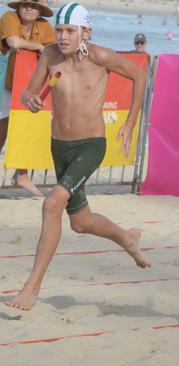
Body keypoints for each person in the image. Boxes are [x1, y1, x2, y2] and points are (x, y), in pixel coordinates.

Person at [5, 2, 149, 311]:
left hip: (90, 146)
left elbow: (139, 75)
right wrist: (30, 99)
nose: (63, 37)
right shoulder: (49, 55)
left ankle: (32, 287)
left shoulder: (100, 56)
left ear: (86, 32)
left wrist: (130, 122)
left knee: (52, 202)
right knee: (80, 222)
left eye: (70, 31)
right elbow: (29, 92)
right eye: (59, 30)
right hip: (60, 146)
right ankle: (126, 238)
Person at [0, 0, 56, 196]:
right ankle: (20, 175)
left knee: (26, 124)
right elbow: (13, 43)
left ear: (40, 10)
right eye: (25, 4)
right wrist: (39, 47)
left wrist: (41, 48)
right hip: (4, 78)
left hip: (27, 82)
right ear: (19, 6)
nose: (29, 8)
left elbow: (53, 51)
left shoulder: (44, 26)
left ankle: (22, 174)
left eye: (34, 6)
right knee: (3, 127)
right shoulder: (9, 17)